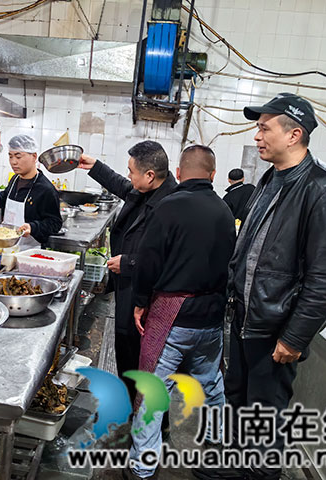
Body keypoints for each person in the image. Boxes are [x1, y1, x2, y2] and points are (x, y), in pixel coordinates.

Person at [193, 93, 326, 480]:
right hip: (246, 318)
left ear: (294, 134)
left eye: (265, 128)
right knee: (237, 401)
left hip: (276, 327)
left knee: (265, 414)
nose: (257, 135)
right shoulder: (270, 178)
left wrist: (295, 338)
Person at [124, 145, 236, 480]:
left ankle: (143, 468)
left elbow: (148, 261)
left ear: (179, 172)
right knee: (213, 388)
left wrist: (141, 301)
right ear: (213, 175)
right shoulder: (225, 211)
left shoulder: (169, 207)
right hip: (212, 318)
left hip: (172, 316)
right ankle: (218, 452)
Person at [78, 141, 177, 404]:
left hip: (146, 292)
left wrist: (129, 263)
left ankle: (148, 414)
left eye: (132, 171)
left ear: (149, 175)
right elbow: (124, 186)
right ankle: (130, 404)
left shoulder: (171, 205)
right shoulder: (146, 190)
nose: (129, 176)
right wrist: (96, 167)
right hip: (128, 285)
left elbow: (169, 256)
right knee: (124, 345)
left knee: (142, 353)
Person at [0, 135, 62, 249]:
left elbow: (55, 223)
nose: (13, 162)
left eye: (18, 156)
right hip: (5, 246)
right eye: (10, 156)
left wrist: (33, 227)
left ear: (34, 156)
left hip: (28, 250)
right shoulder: (15, 179)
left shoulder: (46, 189)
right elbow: (7, 196)